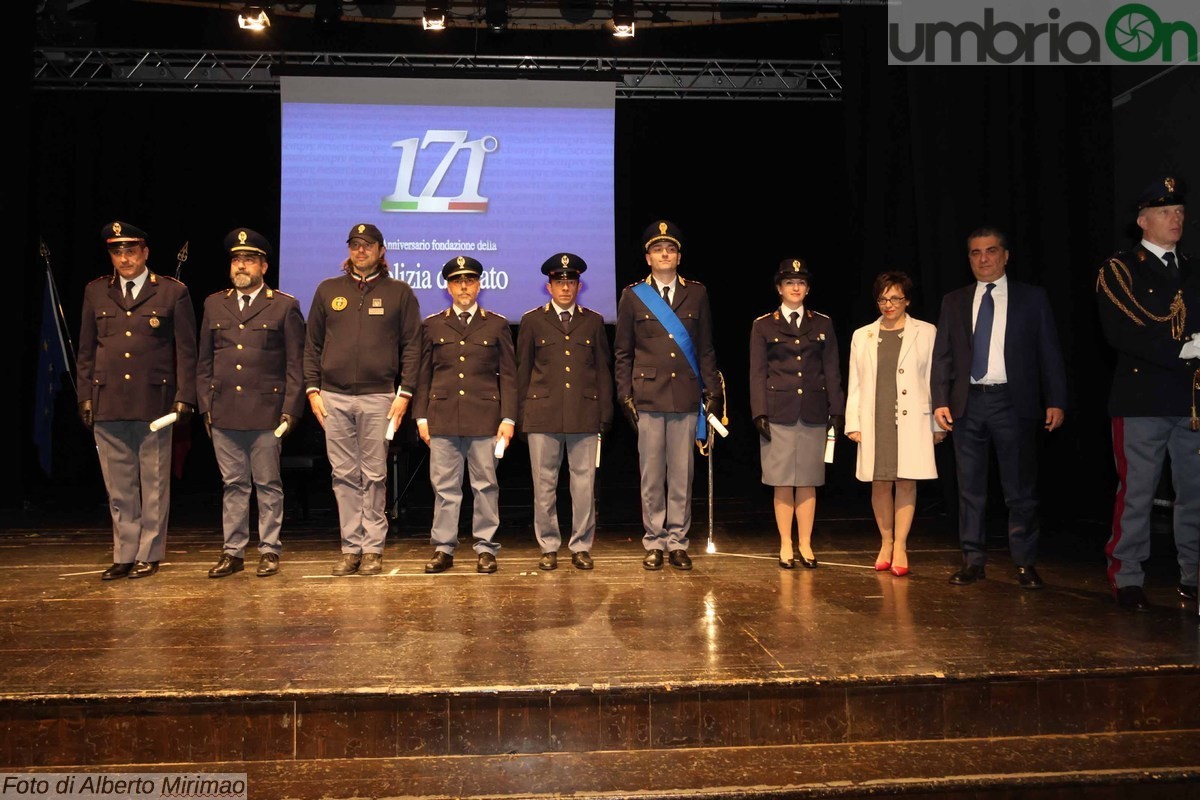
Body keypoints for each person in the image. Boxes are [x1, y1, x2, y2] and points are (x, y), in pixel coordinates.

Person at [931, 227, 1068, 589]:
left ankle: (1024, 562)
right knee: (970, 488)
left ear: (1006, 256)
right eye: (975, 253)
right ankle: (973, 560)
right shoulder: (954, 301)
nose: (984, 259)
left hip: (1013, 402)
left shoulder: (1031, 299)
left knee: (1020, 488)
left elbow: (1049, 353)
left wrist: (1056, 399)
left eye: (991, 251)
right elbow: (942, 356)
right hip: (968, 403)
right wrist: (940, 399)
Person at [1096, 176, 1200, 611]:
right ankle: (1128, 576)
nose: (1174, 218)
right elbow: (1124, 332)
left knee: (1194, 493)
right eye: (1163, 211)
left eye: (1178, 211)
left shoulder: (1193, 267)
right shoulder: (1121, 269)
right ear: (1142, 220)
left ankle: (1193, 576)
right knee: (1137, 492)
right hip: (1142, 400)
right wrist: (1185, 347)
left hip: (1191, 400)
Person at [77, 220, 197, 580]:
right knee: (119, 486)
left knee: (154, 484)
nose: (125, 258)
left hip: (154, 404)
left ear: (145, 252)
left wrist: (185, 397)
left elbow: (186, 351)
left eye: (131, 251)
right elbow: (86, 351)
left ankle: (149, 552)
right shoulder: (96, 292)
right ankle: (124, 552)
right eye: (117, 251)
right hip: (109, 401)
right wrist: (85, 396)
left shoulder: (172, 293)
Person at [303, 223, 422, 577]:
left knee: (374, 475)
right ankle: (350, 548)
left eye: (368, 245)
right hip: (333, 398)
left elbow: (413, 347)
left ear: (381, 250)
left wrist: (405, 394)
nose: (361, 250)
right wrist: (312, 390)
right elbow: (312, 345)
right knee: (343, 475)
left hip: (379, 397)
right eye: (355, 245)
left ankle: (373, 548)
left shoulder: (399, 293)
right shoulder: (328, 290)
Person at [197, 228, 305, 579]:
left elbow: (295, 364)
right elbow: (204, 361)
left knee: (268, 484)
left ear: (264, 266)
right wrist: (205, 405)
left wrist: (290, 410)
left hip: (266, 413)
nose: (241, 266)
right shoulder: (215, 303)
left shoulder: (284, 305)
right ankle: (233, 551)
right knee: (233, 485)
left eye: (248, 260)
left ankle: (270, 550)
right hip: (225, 411)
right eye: (236, 260)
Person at [614, 220, 721, 571]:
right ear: (648, 258)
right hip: (647, 397)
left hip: (685, 396)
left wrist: (713, 393)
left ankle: (677, 541)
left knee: (681, 473)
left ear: (679, 256)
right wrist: (624, 395)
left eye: (670, 249)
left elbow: (705, 349)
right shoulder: (632, 295)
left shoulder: (698, 293)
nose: (664, 254)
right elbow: (623, 353)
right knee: (651, 474)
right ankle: (654, 541)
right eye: (658, 249)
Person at [413, 256, 517, 575]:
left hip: (485, 418)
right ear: (448, 287)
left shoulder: (497, 324)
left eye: (469, 281)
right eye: (458, 281)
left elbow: (509, 376)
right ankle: (443, 548)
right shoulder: (432, 325)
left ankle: (486, 548)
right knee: (445, 487)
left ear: (479, 285)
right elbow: (423, 376)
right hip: (442, 417)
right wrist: (420, 417)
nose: (464, 287)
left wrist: (508, 419)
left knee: (485, 486)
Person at [516, 253, 614, 571]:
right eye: (559, 282)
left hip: (584, 414)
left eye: (570, 282)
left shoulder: (594, 321)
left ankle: (581, 545)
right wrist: (519, 416)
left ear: (579, 285)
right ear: (549, 286)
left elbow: (602, 370)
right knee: (543, 484)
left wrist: (605, 414)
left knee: (583, 485)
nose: (565, 288)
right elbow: (522, 372)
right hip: (542, 414)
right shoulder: (532, 321)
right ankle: (548, 545)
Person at [845, 271, 945, 577]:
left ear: (907, 300)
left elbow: (934, 380)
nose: (889, 304)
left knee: (906, 481)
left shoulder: (927, 333)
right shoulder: (862, 335)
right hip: (875, 418)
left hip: (912, 418)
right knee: (879, 482)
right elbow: (856, 383)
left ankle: (901, 544)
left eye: (895, 298)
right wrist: (853, 422)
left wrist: (937, 423)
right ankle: (885, 542)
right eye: (883, 299)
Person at [749, 259, 845, 569]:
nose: (795, 287)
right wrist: (759, 412)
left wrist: (837, 409)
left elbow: (832, 371)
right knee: (781, 481)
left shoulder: (823, 324)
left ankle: (805, 543)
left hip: (814, 412)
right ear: (779, 287)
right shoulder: (763, 324)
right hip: (778, 413)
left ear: (808, 288)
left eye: (801, 283)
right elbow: (757, 373)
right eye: (789, 282)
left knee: (808, 481)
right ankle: (785, 543)